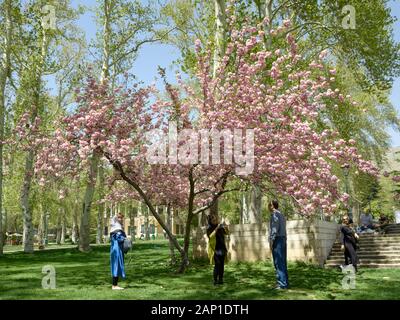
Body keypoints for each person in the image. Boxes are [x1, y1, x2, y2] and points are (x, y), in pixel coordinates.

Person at [268, 200, 289, 290]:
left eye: (269, 205)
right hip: (283, 239)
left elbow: (274, 229)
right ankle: (284, 282)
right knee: (282, 262)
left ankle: (282, 284)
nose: (268, 207)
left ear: (272, 206)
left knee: (278, 262)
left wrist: (271, 240)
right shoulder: (281, 215)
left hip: (278, 239)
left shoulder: (275, 215)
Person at [207, 215, 229, 285]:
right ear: (210, 221)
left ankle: (221, 280)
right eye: (213, 220)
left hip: (222, 248)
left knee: (222, 265)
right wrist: (217, 228)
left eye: (216, 220)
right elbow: (210, 236)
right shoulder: (209, 228)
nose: (216, 221)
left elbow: (227, 233)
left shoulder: (220, 227)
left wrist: (226, 227)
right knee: (217, 265)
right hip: (215, 249)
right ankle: (215, 280)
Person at [110, 213, 127, 290]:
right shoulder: (117, 228)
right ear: (117, 219)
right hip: (117, 249)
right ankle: (114, 285)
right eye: (119, 217)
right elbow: (119, 239)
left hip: (115, 248)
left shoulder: (114, 227)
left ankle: (115, 284)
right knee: (116, 265)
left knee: (116, 265)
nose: (121, 219)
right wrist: (126, 239)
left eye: (122, 217)